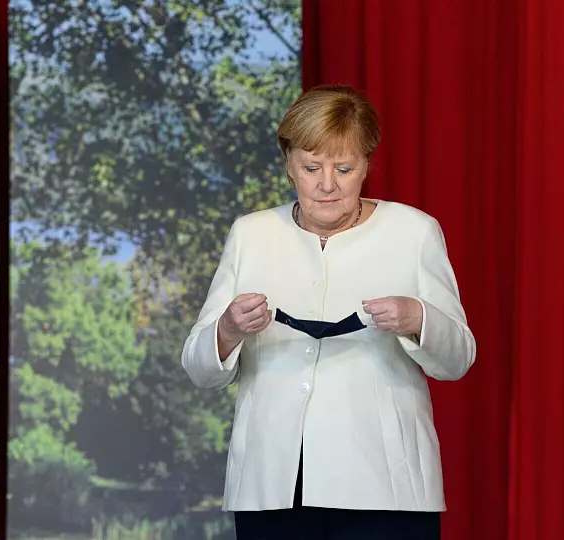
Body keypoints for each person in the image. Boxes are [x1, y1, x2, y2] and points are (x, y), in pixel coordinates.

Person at [181, 85, 476, 540]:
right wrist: (228, 329)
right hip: (271, 485)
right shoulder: (250, 235)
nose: (326, 185)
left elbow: (458, 359)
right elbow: (199, 369)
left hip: (386, 487)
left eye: (343, 168)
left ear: (366, 165)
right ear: (289, 164)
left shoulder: (414, 232)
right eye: (311, 168)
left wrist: (419, 319)